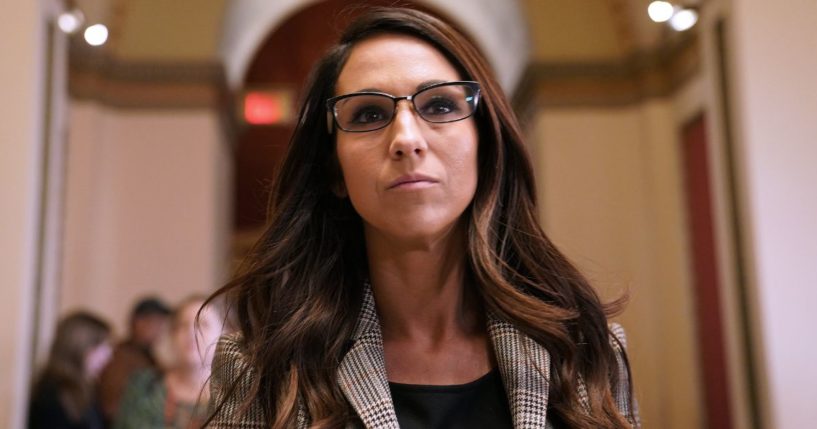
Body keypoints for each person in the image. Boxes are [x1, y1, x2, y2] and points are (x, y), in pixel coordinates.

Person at [206, 7, 639, 429]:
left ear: (485, 149)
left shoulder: (585, 351)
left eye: (439, 106)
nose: (406, 139)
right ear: (334, 171)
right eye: (369, 113)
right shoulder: (262, 371)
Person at [114, 296, 223, 429]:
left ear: (224, 333)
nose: (191, 332)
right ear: (172, 335)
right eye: (183, 325)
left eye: (203, 324)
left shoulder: (237, 396)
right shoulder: (142, 386)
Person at [28, 311, 113, 429]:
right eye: (100, 346)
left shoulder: (82, 390)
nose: (107, 355)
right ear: (78, 347)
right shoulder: (52, 394)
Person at [98, 297, 171, 425]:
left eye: (161, 324)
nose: (159, 330)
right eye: (154, 323)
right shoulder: (119, 358)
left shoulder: (151, 358)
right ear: (137, 322)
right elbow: (112, 408)